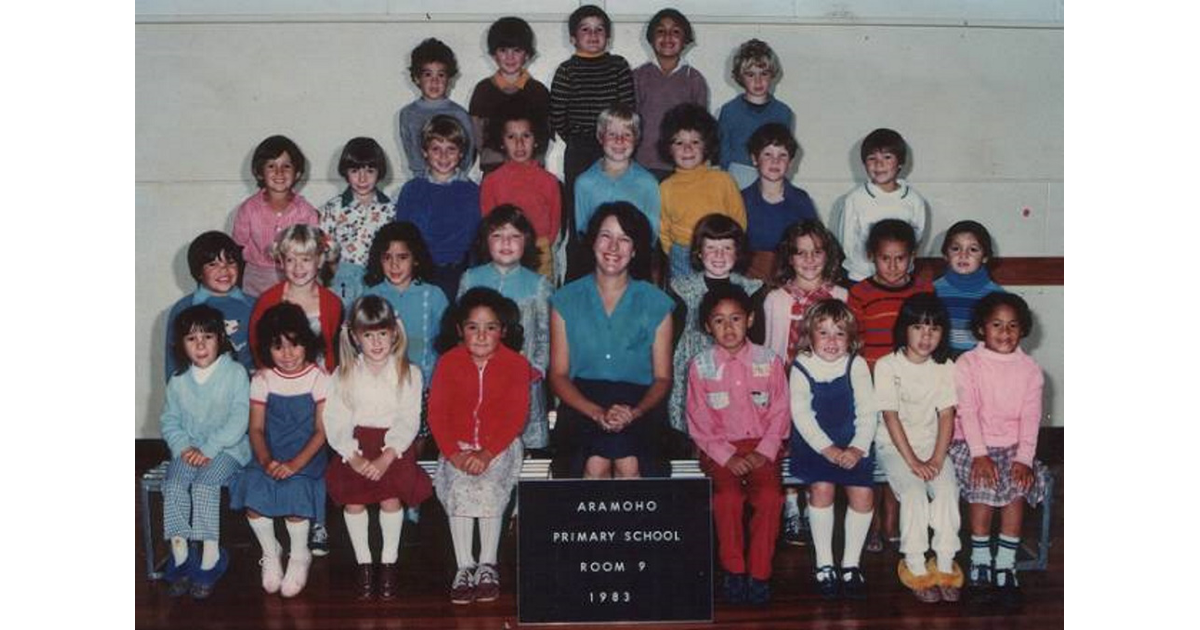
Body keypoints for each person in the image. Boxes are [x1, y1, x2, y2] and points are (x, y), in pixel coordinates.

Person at [549, 202, 674, 479]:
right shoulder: (565, 300)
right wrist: (595, 413)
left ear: (636, 249)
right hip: (582, 401)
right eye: (606, 236)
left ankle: (638, 525)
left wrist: (634, 412)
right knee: (594, 465)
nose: (613, 247)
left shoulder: (657, 303)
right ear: (592, 240)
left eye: (624, 239)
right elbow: (558, 375)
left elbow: (663, 379)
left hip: (640, 401)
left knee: (630, 464)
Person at [323, 295, 433, 601]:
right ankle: (365, 566)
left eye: (382, 333)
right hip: (356, 446)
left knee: (390, 499)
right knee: (354, 502)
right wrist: (352, 456)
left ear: (394, 333)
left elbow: (408, 420)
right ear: (355, 337)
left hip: (394, 447)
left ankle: (389, 563)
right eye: (368, 335)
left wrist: (387, 456)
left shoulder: (408, 373)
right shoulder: (343, 375)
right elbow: (335, 419)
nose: (376, 342)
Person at [685, 285, 789, 606]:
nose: (728, 328)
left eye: (735, 319)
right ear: (707, 326)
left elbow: (781, 412)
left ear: (750, 319)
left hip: (762, 448)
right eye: (719, 321)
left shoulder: (769, 361)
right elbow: (698, 421)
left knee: (770, 498)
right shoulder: (700, 366)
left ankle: (759, 574)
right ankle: (734, 570)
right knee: (727, 499)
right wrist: (726, 457)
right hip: (720, 450)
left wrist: (763, 451)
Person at [429, 288, 534, 605]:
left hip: (498, 446)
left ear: (503, 330)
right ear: (460, 329)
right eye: (473, 326)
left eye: (491, 327)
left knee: (489, 489)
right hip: (457, 447)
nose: (482, 334)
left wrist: (487, 453)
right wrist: (455, 453)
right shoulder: (448, 363)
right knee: (460, 489)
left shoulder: (516, 365)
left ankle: (487, 563)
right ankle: (465, 565)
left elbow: (516, 415)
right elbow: (437, 413)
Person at [948, 292, 1050, 610]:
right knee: (984, 481)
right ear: (981, 328)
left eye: (1012, 326)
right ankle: (980, 561)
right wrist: (980, 453)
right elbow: (968, 411)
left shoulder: (1030, 370)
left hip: (1013, 447)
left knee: (1017, 486)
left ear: (1022, 330)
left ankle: (1005, 564)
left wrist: (1023, 458)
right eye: (996, 325)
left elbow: (1031, 418)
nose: (1005, 333)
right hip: (971, 442)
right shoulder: (968, 364)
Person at [230, 302, 329, 598]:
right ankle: (270, 551)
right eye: (278, 347)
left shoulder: (318, 378)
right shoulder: (262, 380)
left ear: (306, 342)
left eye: (294, 344)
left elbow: (322, 431)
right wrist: (265, 460)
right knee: (255, 491)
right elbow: (257, 429)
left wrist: (295, 464)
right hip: (270, 451)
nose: (287, 354)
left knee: (295, 493)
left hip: (306, 454)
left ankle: (299, 555)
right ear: (266, 348)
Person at [760, 219, 847, 545]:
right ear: (789, 259)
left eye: (816, 252)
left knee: (820, 441)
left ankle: (816, 506)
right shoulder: (776, 299)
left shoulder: (840, 294)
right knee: (790, 444)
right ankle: (792, 507)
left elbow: (848, 344)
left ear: (828, 254)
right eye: (801, 254)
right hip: (787, 381)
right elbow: (771, 348)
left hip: (828, 385)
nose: (809, 260)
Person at [848, 218, 932, 552]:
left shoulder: (923, 290)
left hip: (913, 389)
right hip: (872, 388)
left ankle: (891, 521)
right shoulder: (860, 293)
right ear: (872, 256)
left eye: (901, 258)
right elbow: (854, 343)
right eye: (886, 258)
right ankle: (871, 524)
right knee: (877, 454)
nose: (894, 266)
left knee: (900, 454)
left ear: (912, 257)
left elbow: (929, 335)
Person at [874, 294, 962, 604]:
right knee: (912, 494)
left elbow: (946, 415)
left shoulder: (945, 366)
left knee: (948, 491)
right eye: (919, 327)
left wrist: (937, 459)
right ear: (904, 329)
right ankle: (914, 564)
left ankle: (946, 562)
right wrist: (913, 462)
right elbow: (890, 416)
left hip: (932, 445)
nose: (926, 336)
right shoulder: (887, 366)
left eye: (935, 329)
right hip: (895, 446)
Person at [159, 304, 251, 599]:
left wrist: (209, 448)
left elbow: (239, 419)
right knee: (173, 484)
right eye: (191, 339)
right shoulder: (178, 380)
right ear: (181, 345)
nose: (200, 345)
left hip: (227, 449)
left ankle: (210, 557)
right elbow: (169, 419)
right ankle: (181, 554)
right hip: (189, 449)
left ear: (220, 339)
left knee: (204, 485)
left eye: (207, 337)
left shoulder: (234, 372)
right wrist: (183, 447)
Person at [788, 300, 877, 600]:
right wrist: (827, 449)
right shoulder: (801, 365)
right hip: (815, 442)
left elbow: (868, 413)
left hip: (853, 441)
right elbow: (801, 414)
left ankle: (850, 564)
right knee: (822, 489)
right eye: (823, 332)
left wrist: (857, 448)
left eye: (839, 334)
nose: (831, 341)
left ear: (851, 339)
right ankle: (824, 562)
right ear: (808, 335)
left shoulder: (857, 364)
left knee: (862, 494)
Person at [458, 206, 554, 451]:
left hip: (522, 381)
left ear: (527, 241)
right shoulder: (470, 279)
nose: (506, 243)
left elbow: (545, 336)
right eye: (497, 236)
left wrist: (537, 370)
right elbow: (458, 331)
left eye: (514, 236)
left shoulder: (539, 285)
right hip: (479, 379)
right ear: (485, 241)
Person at [667, 214, 763, 442]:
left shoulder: (752, 289)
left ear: (737, 252)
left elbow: (758, 341)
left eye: (727, 248)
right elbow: (671, 342)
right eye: (711, 248)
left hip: (737, 374)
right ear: (699, 252)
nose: (719, 255)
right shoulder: (682, 288)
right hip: (691, 374)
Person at [361, 222, 450, 452]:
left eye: (402, 257)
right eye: (387, 257)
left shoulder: (434, 295)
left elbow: (448, 343)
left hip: (424, 388)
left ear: (416, 259)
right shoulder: (370, 295)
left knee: (414, 451)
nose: (394, 265)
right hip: (381, 389)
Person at [569, 105, 662, 283]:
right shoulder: (584, 183)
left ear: (636, 139)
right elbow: (583, 231)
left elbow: (651, 234)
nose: (619, 140)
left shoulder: (648, 183)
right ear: (600, 137)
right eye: (612, 134)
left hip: (635, 265)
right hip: (595, 265)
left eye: (627, 135)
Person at [393, 115, 481, 300]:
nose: (443, 156)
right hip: (420, 271)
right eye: (436, 149)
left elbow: (475, 237)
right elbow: (403, 235)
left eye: (451, 149)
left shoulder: (473, 192)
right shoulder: (411, 190)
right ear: (425, 152)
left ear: (461, 153)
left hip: (459, 272)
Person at [549, 4, 635, 193]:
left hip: (615, 143)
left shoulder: (618, 66)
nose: (593, 34)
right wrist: (575, 137)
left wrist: (614, 135)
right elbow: (557, 114)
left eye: (599, 29)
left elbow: (628, 108)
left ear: (608, 38)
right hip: (580, 146)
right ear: (573, 38)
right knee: (580, 199)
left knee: (615, 197)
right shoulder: (567, 71)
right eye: (585, 29)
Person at [658, 103, 747, 278]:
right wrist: (673, 251)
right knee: (686, 300)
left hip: (719, 250)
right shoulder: (666, 187)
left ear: (706, 146)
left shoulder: (723, 180)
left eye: (695, 142)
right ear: (669, 148)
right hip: (682, 253)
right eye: (679, 142)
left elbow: (739, 220)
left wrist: (730, 248)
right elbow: (663, 228)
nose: (687, 149)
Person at [837, 128, 928, 283]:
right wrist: (866, 270)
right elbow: (846, 242)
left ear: (900, 162)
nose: (879, 164)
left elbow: (915, 239)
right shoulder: (855, 199)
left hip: (899, 278)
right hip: (861, 278)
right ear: (864, 163)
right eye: (872, 158)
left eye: (887, 157)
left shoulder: (914, 200)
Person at [248, 224, 342, 374]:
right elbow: (256, 342)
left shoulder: (332, 303)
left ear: (319, 260)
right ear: (281, 261)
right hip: (280, 378)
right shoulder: (268, 301)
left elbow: (334, 348)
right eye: (291, 260)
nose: (298, 268)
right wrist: (268, 372)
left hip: (321, 379)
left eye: (306, 259)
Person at [479, 107, 562, 278]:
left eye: (526, 136)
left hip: (540, 250)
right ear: (502, 142)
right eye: (511, 137)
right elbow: (488, 221)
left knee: (539, 299)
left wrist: (542, 244)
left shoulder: (549, 181)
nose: (519, 144)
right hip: (504, 249)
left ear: (536, 139)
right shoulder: (491, 182)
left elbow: (555, 222)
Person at [232, 134, 318, 296]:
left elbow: (312, 252)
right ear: (259, 173)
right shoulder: (248, 209)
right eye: (271, 166)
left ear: (297, 173)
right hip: (255, 280)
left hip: (294, 278)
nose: (279, 172)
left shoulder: (306, 211)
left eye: (286, 166)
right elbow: (237, 247)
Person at [164, 231, 255, 379]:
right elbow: (173, 362)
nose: (224, 270)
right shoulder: (184, 308)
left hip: (246, 393)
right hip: (200, 393)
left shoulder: (254, 305)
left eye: (230, 262)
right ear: (198, 271)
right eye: (213, 264)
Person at [632, 8, 709, 180]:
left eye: (675, 32)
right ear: (651, 39)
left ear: (685, 40)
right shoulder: (638, 77)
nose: (667, 37)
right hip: (644, 164)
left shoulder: (694, 79)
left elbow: (701, 129)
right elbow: (630, 122)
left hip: (682, 165)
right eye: (661, 31)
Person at [318, 137, 395, 307]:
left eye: (369, 171)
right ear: (345, 172)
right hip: (341, 280)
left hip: (377, 280)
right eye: (354, 171)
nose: (362, 179)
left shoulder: (390, 210)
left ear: (379, 172)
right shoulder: (332, 209)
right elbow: (323, 250)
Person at [469, 16, 551, 174]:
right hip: (494, 171)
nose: (510, 57)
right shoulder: (483, 91)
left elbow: (543, 135)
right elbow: (477, 136)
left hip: (531, 171)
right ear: (494, 54)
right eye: (503, 50)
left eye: (517, 51)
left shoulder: (538, 92)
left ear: (527, 55)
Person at [740, 123, 817, 281]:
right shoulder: (741, 199)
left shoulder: (801, 199)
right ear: (754, 159)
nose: (775, 161)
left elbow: (814, 243)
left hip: (792, 278)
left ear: (790, 162)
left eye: (782, 155)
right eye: (767, 154)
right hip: (749, 280)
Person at [717, 40, 795, 190]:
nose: (758, 81)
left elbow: (785, 152)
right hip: (738, 177)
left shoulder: (783, 112)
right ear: (740, 77)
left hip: (771, 175)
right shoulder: (729, 111)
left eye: (764, 74)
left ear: (772, 74)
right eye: (750, 74)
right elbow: (723, 156)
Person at [397, 38, 475, 179]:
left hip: (454, 181)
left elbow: (468, 153)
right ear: (416, 78)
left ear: (449, 79)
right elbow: (411, 152)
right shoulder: (407, 114)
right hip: (422, 182)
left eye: (441, 75)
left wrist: (457, 177)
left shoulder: (460, 114)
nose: (435, 81)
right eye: (428, 75)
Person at [934, 220, 1005, 356]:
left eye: (973, 249)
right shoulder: (934, 290)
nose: (963, 255)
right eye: (956, 248)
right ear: (945, 255)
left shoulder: (997, 295)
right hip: (942, 359)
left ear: (985, 257)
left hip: (981, 360)